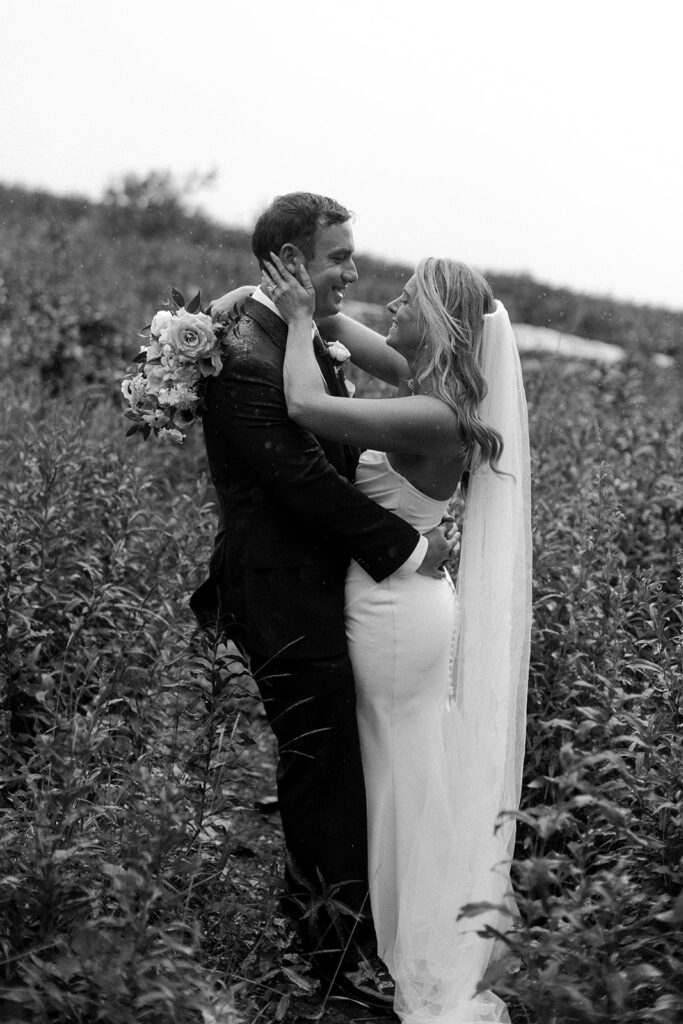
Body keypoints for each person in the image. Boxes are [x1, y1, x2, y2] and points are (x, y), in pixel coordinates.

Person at [190, 192, 456, 1007]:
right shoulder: (246, 351)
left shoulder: (292, 330)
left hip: (330, 585)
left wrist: (285, 306)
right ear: (292, 261)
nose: (354, 270)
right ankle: (331, 958)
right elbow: (301, 478)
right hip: (280, 587)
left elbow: (333, 418)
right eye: (337, 255)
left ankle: (330, 926)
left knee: (334, 760)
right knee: (321, 763)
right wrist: (407, 546)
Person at [261, 251, 532, 1024]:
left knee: (393, 773)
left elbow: (306, 407)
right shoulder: (428, 385)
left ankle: (407, 943)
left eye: (407, 299)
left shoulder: (433, 415)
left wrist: (301, 324)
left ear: (438, 320)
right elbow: (345, 324)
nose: (391, 306)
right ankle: (391, 929)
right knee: (399, 764)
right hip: (403, 597)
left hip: (394, 613)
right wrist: (290, 296)